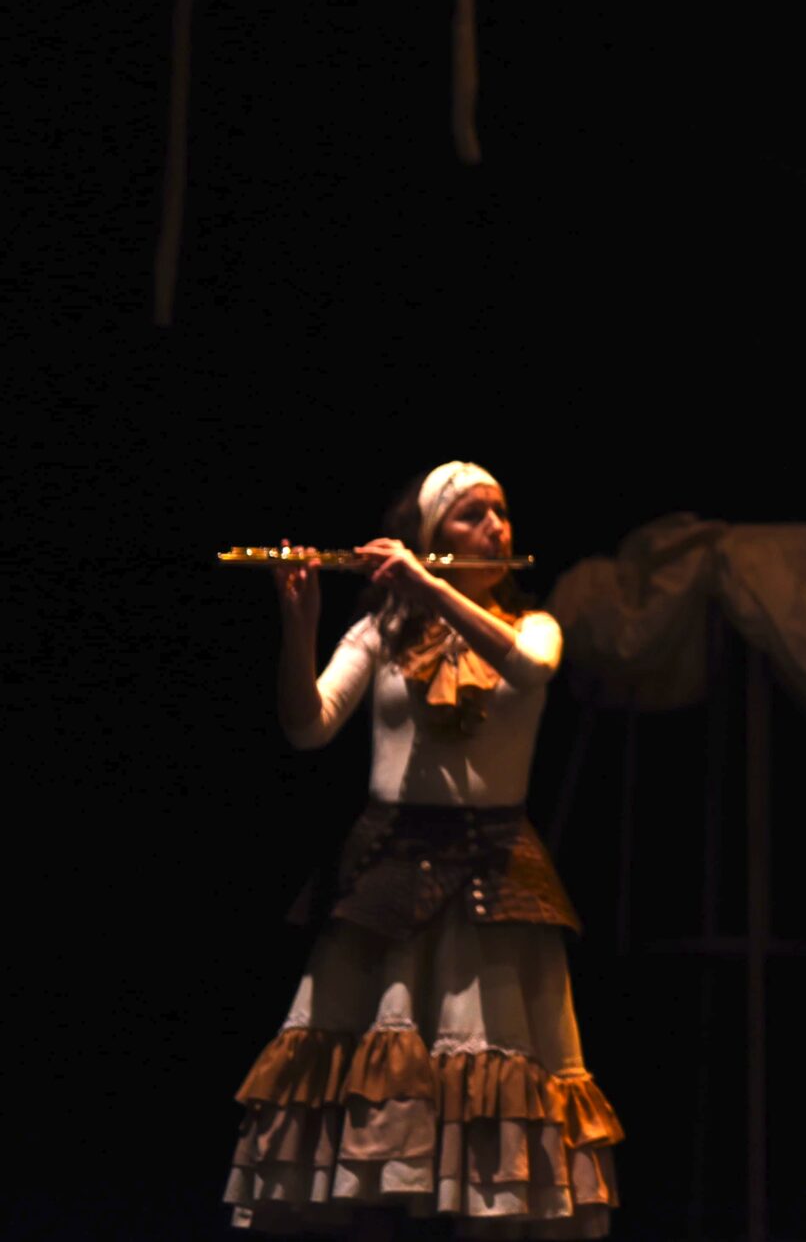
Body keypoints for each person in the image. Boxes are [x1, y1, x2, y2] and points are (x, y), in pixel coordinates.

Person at [226, 463, 621, 1238]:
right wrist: (301, 623)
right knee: (368, 1082)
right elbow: (308, 726)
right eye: (472, 514)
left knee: (494, 1074)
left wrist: (425, 584)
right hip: (389, 873)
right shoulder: (382, 631)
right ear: (430, 534)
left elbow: (529, 668)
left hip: (496, 879)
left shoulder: (534, 625)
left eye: (501, 511)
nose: (496, 528)